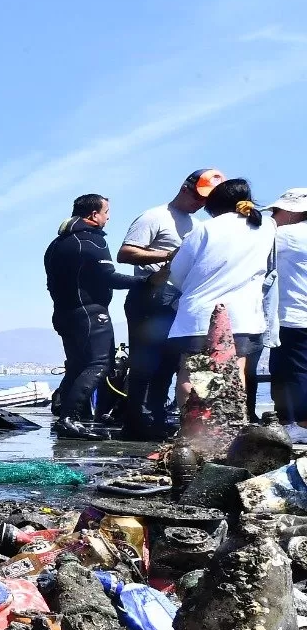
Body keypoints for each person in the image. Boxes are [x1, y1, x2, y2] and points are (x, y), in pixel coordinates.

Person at [115, 169, 222, 440]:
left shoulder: (196, 225)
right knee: (144, 364)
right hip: (150, 296)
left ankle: (155, 419)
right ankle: (136, 424)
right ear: (185, 188)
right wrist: (169, 254)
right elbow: (125, 253)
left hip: (178, 299)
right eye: (199, 197)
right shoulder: (155, 216)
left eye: (206, 200)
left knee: (168, 364)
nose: (201, 204)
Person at [164, 178, 277, 411]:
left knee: (191, 373)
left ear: (213, 204)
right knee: (235, 374)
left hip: (199, 314)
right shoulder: (266, 227)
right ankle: (230, 428)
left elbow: (176, 273)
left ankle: (191, 431)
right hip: (243, 315)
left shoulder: (204, 229)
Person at [44, 194, 142, 439]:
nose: (108, 217)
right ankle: (69, 418)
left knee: (77, 366)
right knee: (99, 364)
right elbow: (109, 277)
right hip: (90, 313)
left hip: (64, 313)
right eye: (106, 212)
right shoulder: (91, 241)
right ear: (93, 215)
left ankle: (66, 415)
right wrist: (146, 282)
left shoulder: (56, 244)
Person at [268, 188, 307, 439]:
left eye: (277, 211)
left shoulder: (285, 235)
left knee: (292, 372)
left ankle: (298, 426)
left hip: (292, 314)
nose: (274, 216)